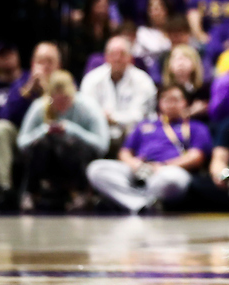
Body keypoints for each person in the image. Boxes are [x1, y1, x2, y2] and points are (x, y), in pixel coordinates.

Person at [86, 83, 212, 214]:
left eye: (175, 99)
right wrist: (134, 164)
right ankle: (141, 205)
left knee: (172, 179)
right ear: (160, 103)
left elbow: (196, 157)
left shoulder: (196, 127)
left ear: (184, 102)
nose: (171, 103)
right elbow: (125, 152)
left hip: (169, 170)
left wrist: (163, 165)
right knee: (96, 168)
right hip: (140, 169)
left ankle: (137, 201)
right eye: (166, 99)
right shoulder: (144, 124)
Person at [16, 71, 110, 211]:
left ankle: (81, 194)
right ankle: (31, 193)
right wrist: (44, 130)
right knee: (42, 144)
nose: (60, 105)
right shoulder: (40, 106)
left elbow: (102, 145)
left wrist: (73, 130)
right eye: (56, 100)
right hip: (49, 161)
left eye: (65, 99)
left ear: (73, 95)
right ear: (49, 97)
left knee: (70, 143)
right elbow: (22, 142)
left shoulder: (88, 107)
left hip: (76, 160)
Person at [0, 42, 60, 200]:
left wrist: (46, 92)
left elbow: (64, 116)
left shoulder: (65, 83)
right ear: (32, 63)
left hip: (53, 142)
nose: (45, 66)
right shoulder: (21, 83)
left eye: (50, 61)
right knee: (0, 128)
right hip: (23, 141)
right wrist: (28, 92)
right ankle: (3, 188)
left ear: (58, 64)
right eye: (40, 61)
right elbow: (6, 116)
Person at [79, 36, 157, 144]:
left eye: (122, 54)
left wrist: (112, 118)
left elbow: (139, 117)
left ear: (130, 57)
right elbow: (87, 113)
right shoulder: (91, 79)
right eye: (113, 54)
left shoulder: (143, 81)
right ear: (106, 57)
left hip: (134, 138)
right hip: (99, 135)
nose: (117, 58)